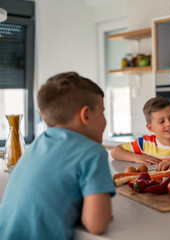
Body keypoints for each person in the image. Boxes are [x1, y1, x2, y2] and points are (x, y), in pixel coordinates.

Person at [0, 72, 115, 239]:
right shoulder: (92, 152)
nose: (105, 120)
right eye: (103, 112)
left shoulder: (38, 144)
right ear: (86, 115)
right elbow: (97, 224)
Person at [111, 96, 170, 171]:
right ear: (150, 127)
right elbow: (115, 151)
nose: (169, 124)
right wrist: (136, 158)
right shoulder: (144, 144)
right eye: (161, 122)